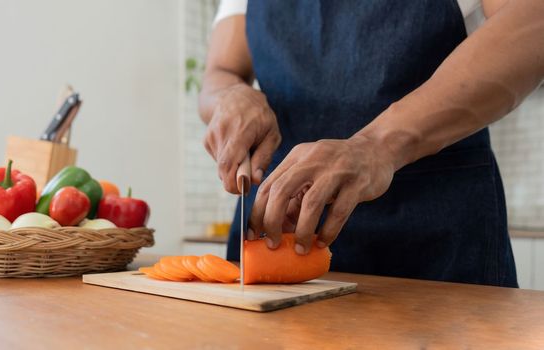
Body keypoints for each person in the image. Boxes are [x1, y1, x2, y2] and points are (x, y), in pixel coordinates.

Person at [199, 0, 544, 287]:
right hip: (276, 231)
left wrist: (378, 145)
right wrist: (228, 96)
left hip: (437, 233)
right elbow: (221, 71)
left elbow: (533, 20)